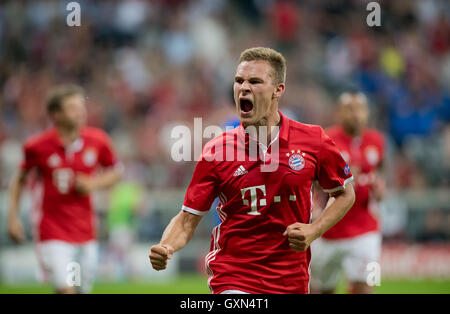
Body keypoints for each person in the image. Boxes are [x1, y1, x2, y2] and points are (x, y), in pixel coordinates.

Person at [149, 47, 355, 294]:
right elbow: (187, 219)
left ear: (278, 90)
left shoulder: (313, 140)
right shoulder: (216, 151)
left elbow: (344, 192)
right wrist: (166, 247)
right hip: (234, 277)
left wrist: (314, 229)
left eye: (255, 81)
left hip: (291, 280)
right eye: (239, 81)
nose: (243, 88)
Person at [7, 84, 122, 294]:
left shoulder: (98, 141)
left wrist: (92, 184)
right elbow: (19, 180)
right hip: (52, 230)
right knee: (66, 290)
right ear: (56, 114)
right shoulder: (37, 146)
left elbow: (117, 171)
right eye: (72, 107)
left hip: (86, 230)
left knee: (80, 290)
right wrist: (12, 218)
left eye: (81, 107)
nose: (80, 112)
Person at [310, 92, 386, 294]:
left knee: (368, 285)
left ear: (367, 112)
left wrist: (380, 188)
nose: (355, 114)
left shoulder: (377, 141)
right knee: (321, 289)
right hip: (328, 229)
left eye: (360, 108)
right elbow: (314, 180)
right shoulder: (327, 139)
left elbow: (379, 173)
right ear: (339, 113)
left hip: (367, 229)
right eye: (349, 109)